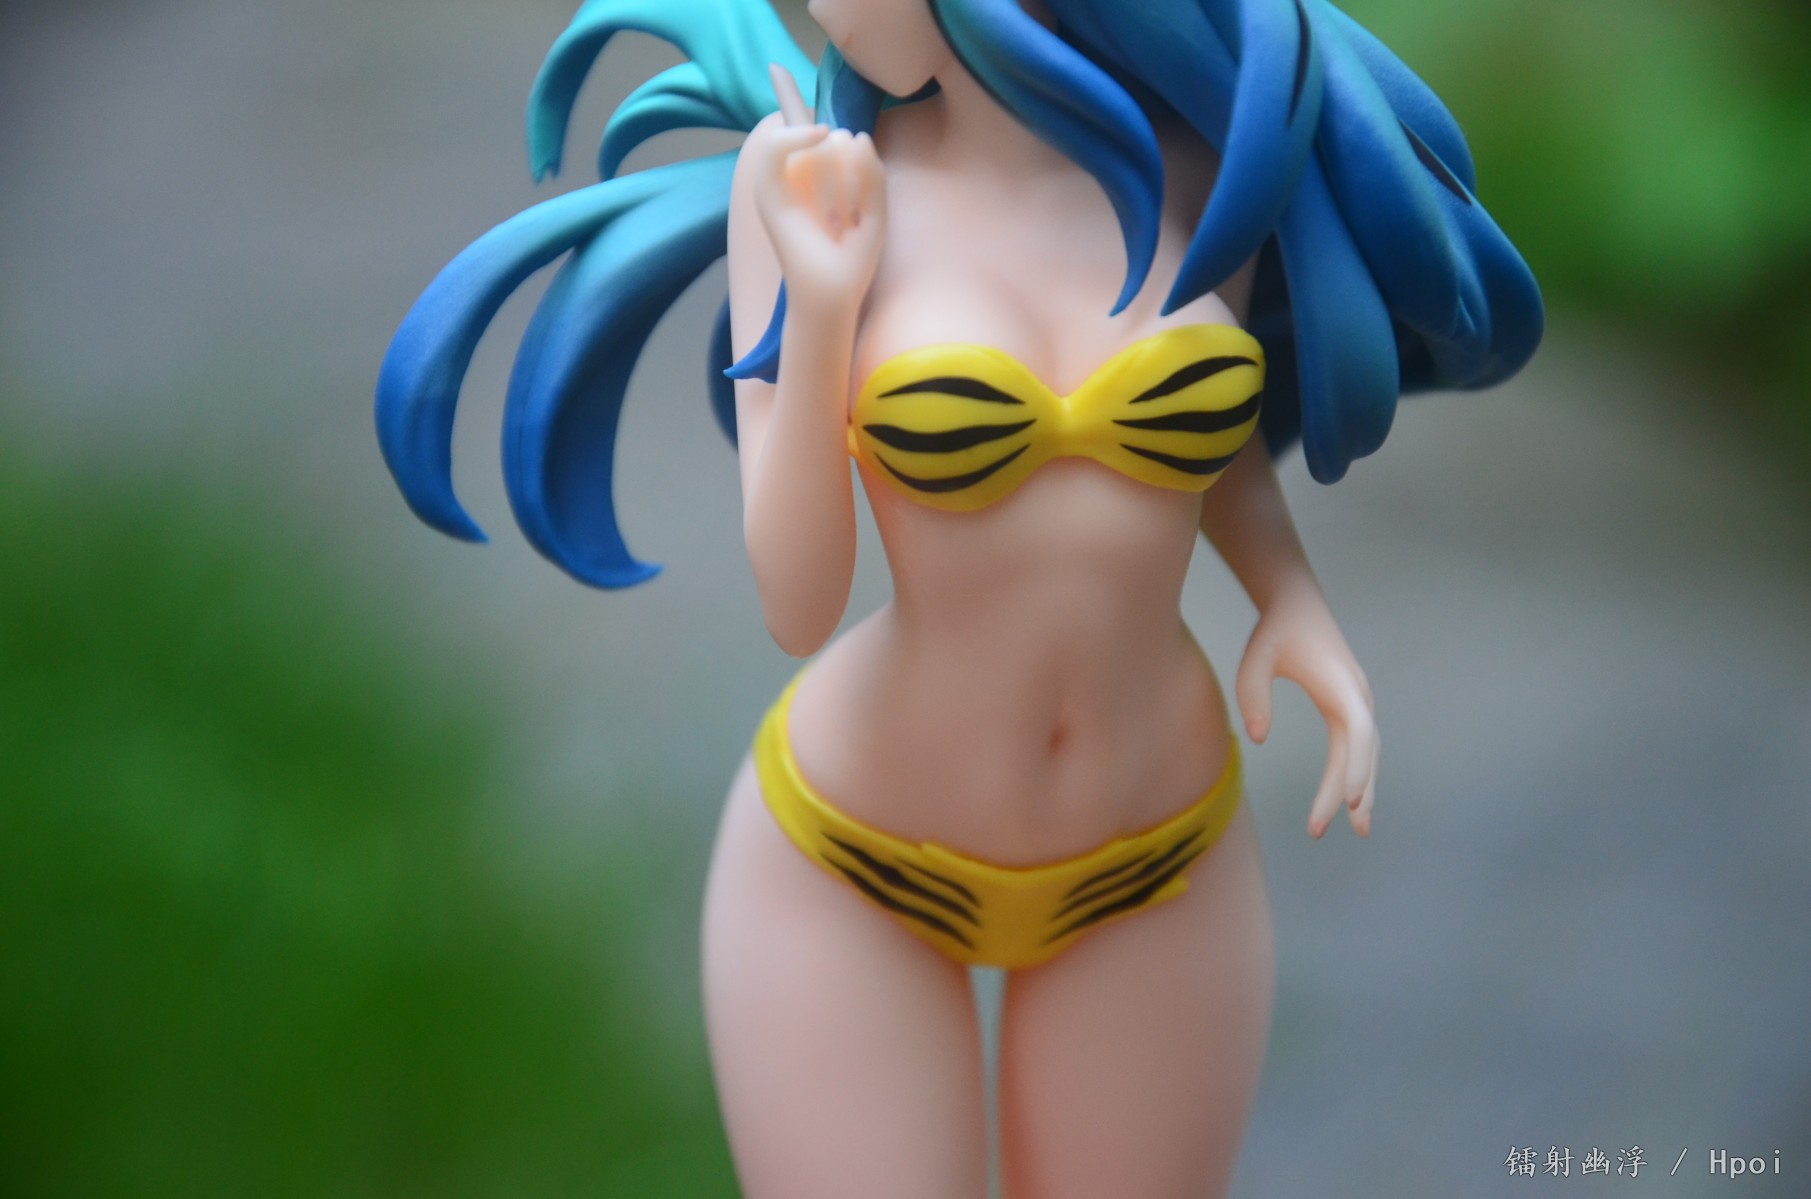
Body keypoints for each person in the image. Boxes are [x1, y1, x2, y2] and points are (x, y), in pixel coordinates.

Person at [376, 1, 1542, 1195]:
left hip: (1156, 848)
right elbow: (797, 601)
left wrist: (1287, 596)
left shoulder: (1209, 159)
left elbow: (1203, 419)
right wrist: (821, 302)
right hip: (852, 853)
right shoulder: (816, 182)